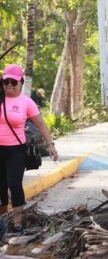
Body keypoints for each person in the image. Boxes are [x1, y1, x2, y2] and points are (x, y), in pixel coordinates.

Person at [0, 64, 58, 233]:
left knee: (14, 183)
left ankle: (18, 223)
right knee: (1, 187)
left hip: (16, 150)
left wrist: (51, 145)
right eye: (6, 82)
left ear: (21, 83)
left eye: (14, 82)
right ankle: (2, 222)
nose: (9, 85)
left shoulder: (26, 102)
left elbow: (41, 124)